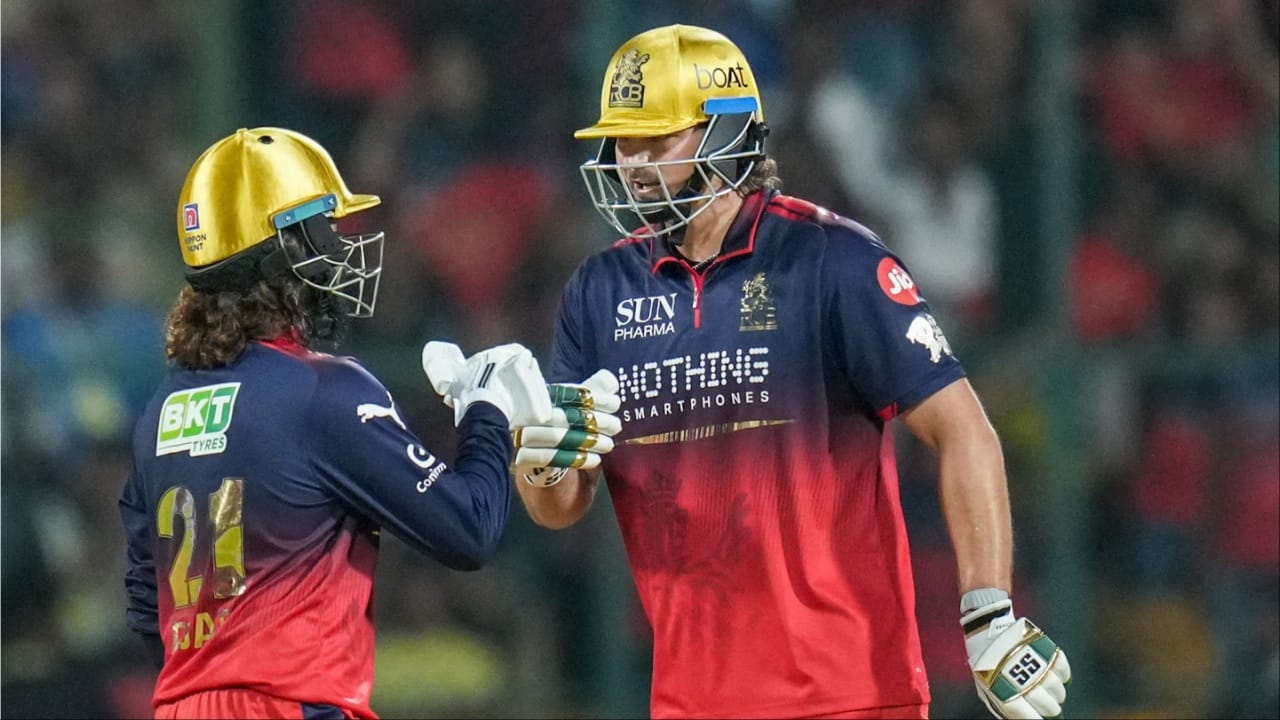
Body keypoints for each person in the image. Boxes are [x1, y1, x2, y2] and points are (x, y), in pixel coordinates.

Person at [513, 25, 1072, 719]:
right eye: (624, 141)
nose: (633, 163)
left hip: (851, 698)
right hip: (690, 704)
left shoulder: (833, 260)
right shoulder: (598, 291)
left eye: (657, 140)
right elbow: (563, 507)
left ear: (725, 134)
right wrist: (540, 464)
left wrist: (988, 616)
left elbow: (965, 433)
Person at [119, 127, 554, 719]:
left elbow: (148, 604)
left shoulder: (159, 411)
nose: (339, 248)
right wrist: (486, 411)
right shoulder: (323, 391)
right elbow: (469, 529)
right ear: (282, 252)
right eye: (323, 229)